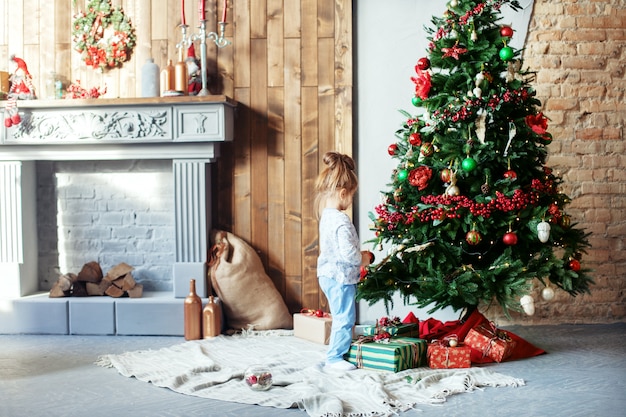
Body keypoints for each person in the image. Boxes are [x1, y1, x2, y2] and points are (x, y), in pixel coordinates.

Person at [315, 151, 372, 372]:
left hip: (327, 274)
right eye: (352, 195)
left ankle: (338, 350)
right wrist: (364, 258)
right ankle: (334, 358)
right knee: (344, 317)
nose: (351, 200)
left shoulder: (326, 216)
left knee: (340, 314)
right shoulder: (341, 220)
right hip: (340, 277)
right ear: (342, 193)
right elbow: (348, 255)